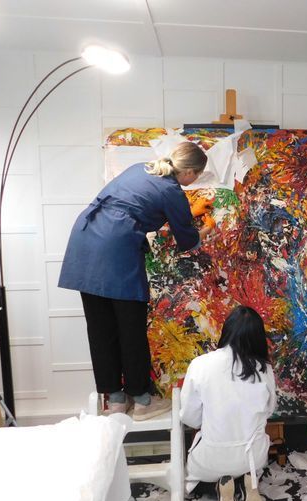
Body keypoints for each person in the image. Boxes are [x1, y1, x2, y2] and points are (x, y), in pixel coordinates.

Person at [59, 141, 212, 421]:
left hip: (85, 241)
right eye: (197, 176)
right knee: (130, 327)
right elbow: (187, 240)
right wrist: (206, 228)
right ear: (189, 172)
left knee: (100, 328)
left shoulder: (140, 168)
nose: (195, 182)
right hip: (116, 248)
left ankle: (116, 401)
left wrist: (187, 211)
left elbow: (138, 205)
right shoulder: (172, 191)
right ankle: (142, 401)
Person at [180, 306, 276, 501]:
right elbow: (269, 410)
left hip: (211, 458)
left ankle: (221, 485)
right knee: (250, 452)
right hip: (253, 457)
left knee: (201, 462)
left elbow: (188, 416)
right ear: (259, 337)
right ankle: (247, 482)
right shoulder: (264, 369)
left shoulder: (200, 365)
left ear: (227, 331)